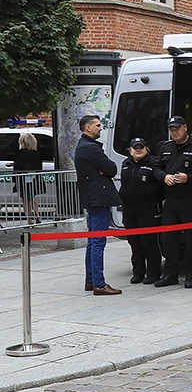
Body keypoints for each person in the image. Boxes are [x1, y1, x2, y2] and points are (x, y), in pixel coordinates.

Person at [74, 115, 122, 296]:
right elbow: (111, 168)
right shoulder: (91, 148)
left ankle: (90, 280)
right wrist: (104, 170)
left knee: (92, 240)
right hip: (98, 198)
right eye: (98, 125)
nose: (101, 128)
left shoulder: (83, 146)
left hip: (92, 198)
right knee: (98, 241)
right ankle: (99, 284)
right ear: (88, 127)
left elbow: (106, 169)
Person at [153, 116, 192, 289]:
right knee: (168, 239)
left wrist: (188, 178)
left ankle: (191, 274)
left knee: (191, 239)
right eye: (172, 129)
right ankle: (170, 274)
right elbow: (156, 168)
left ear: (185, 128)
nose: (174, 132)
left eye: (177, 128)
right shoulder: (165, 147)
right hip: (171, 200)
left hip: (189, 199)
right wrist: (164, 177)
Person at [119, 138, 164, 285]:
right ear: (130, 150)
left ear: (147, 148)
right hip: (130, 210)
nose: (138, 150)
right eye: (135, 148)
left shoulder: (154, 163)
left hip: (148, 210)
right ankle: (138, 272)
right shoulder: (126, 164)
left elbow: (161, 187)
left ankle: (153, 273)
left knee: (149, 243)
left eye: (141, 147)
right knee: (135, 243)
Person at [13, 132, 43, 224]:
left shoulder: (20, 153)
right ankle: (37, 216)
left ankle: (29, 219)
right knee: (32, 197)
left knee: (25, 199)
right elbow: (39, 166)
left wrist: (15, 178)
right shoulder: (36, 153)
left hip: (23, 178)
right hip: (34, 177)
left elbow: (17, 166)